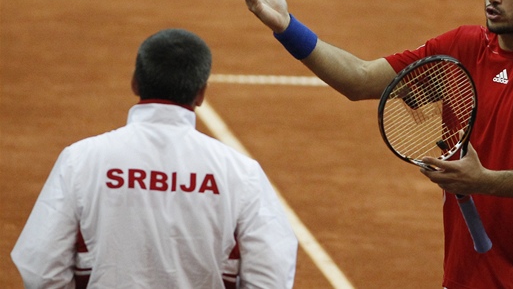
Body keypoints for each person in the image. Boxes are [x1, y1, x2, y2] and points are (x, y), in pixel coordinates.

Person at [222, 0, 513, 287]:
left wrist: (482, 180)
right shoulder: (461, 47)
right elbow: (359, 79)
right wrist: (287, 27)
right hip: (461, 277)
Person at [11, 29, 298, 288]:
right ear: (201, 94)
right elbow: (270, 276)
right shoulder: (240, 172)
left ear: (135, 83)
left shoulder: (80, 159)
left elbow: (41, 269)